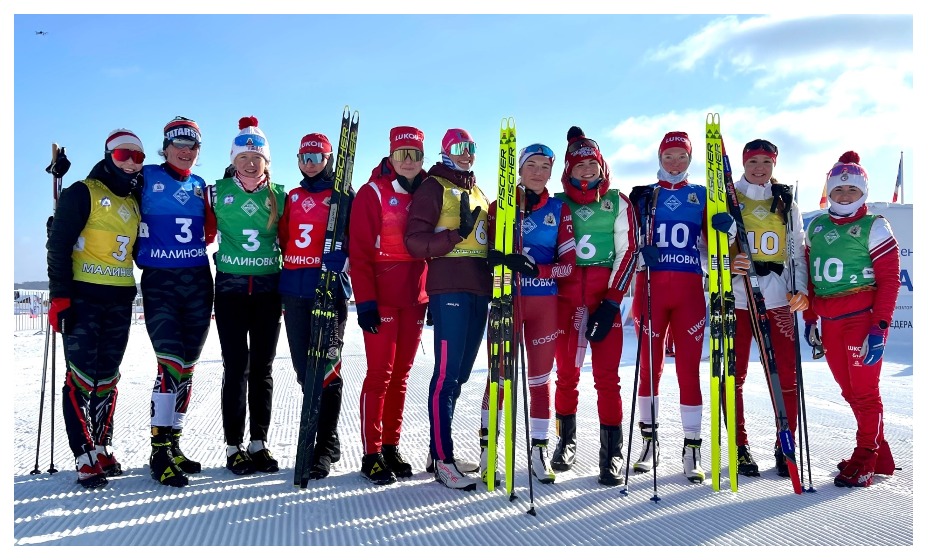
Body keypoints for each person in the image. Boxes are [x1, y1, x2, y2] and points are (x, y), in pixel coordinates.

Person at [46, 129, 144, 489]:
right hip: (83, 298)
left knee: (108, 377)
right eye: (122, 155)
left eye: (137, 156)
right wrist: (60, 297)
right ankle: (83, 453)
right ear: (108, 156)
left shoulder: (135, 199)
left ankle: (102, 445)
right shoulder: (82, 192)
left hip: (119, 298)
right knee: (81, 376)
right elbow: (58, 248)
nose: (130, 162)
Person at [803, 150, 900, 488]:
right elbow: (809, 277)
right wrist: (810, 319)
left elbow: (890, 281)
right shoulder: (816, 226)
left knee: (865, 393)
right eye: (838, 190)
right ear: (829, 191)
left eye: (852, 190)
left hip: (861, 320)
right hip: (829, 321)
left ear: (863, 192)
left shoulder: (874, 226)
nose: (844, 195)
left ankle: (865, 456)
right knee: (849, 391)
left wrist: (879, 328)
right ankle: (880, 455)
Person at [482, 143, 575, 485]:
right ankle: (488, 451)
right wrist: (495, 259)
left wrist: (538, 269)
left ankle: (539, 451)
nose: (538, 172)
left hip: (543, 305)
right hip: (508, 301)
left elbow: (569, 265)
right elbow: (485, 253)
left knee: (539, 380)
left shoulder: (558, 209)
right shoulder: (500, 207)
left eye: (545, 166)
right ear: (518, 170)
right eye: (531, 165)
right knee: (498, 378)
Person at [551, 126, 637, 486]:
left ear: (602, 166)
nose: (587, 170)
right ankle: (565, 441)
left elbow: (628, 252)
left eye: (592, 164)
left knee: (607, 377)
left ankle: (612, 453)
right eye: (579, 164)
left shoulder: (617, 201)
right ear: (568, 169)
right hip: (566, 299)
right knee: (566, 374)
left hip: (604, 298)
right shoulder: (556, 202)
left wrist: (612, 301)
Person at [405, 127, 490, 491]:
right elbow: (414, 242)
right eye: (458, 147)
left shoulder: (479, 191)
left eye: (470, 146)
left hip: (480, 288)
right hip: (449, 288)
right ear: (444, 151)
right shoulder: (433, 187)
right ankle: (443, 459)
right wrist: (455, 234)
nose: (466, 152)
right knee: (446, 376)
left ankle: (436, 452)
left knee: (461, 375)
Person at [722, 139, 809, 478]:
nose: (759, 168)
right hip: (738, 297)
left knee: (785, 374)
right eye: (753, 162)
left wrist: (800, 288)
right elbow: (707, 251)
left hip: (777, 298)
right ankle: (740, 446)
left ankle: (785, 442)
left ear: (774, 165)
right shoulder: (728, 197)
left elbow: (797, 249)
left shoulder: (785, 200)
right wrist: (727, 264)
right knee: (734, 374)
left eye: (766, 162)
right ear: (743, 164)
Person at [626, 131, 708, 483]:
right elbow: (627, 241)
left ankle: (692, 448)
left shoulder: (701, 195)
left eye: (681, 156)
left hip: (689, 292)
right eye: (668, 156)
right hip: (651, 291)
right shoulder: (645, 195)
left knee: (689, 370)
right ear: (659, 158)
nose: (675, 162)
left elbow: (717, 246)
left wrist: (727, 229)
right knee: (650, 368)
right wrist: (639, 253)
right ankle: (649, 442)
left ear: (690, 159)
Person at [350, 126, 430, 485]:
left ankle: (390, 446)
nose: (408, 161)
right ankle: (371, 453)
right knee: (380, 374)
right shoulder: (373, 192)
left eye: (415, 154)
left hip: (415, 298)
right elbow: (359, 252)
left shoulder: (429, 191)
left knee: (401, 376)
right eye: (402, 154)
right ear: (391, 156)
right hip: (382, 298)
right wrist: (365, 300)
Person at [207, 117, 286, 475]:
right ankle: (233, 446)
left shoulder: (280, 196)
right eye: (244, 157)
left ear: (266, 161)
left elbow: (298, 237)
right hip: (231, 293)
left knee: (263, 368)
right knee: (236, 366)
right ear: (234, 159)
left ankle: (259, 442)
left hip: (268, 292)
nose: (251, 163)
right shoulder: (215, 193)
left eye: (257, 158)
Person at [136, 117, 213, 488]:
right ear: (165, 147)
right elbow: (110, 194)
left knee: (188, 368)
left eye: (192, 145)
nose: (185, 151)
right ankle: (159, 451)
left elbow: (215, 228)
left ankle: (174, 443)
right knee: (169, 364)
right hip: (160, 282)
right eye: (179, 144)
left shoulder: (201, 186)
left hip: (198, 281)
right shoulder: (145, 176)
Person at [278, 131, 353, 480]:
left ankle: (323, 446)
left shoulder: (343, 195)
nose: (309, 164)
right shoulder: (292, 197)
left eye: (316, 158)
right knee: (303, 371)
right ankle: (327, 435)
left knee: (327, 369)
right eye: (304, 158)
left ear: (328, 159)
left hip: (329, 291)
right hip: (294, 290)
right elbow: (282, 238)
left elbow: (360, 237)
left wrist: (346, 257)